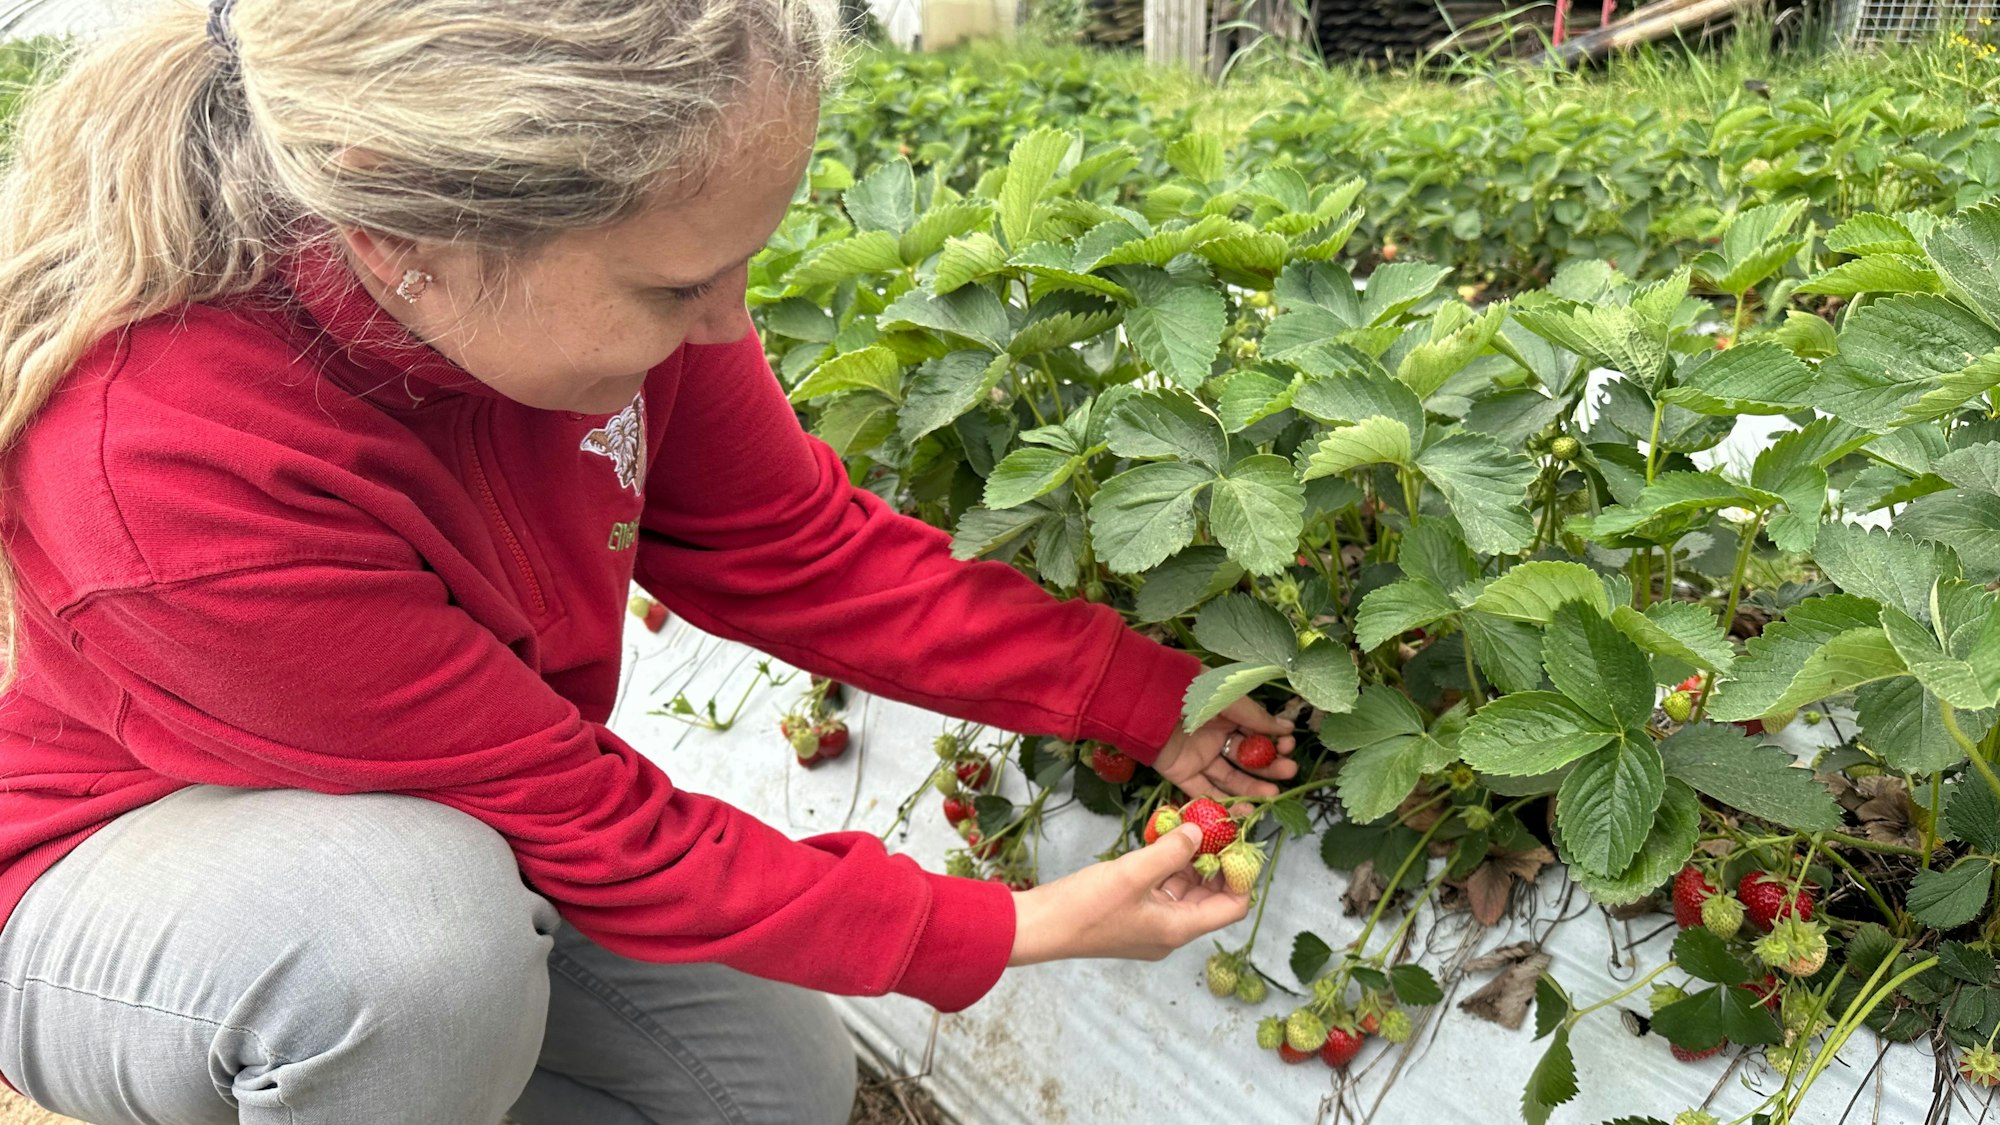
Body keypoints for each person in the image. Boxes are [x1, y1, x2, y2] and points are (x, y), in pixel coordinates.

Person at [0, 1, 1300, 1122]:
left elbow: (802, 547)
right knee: (404, 949)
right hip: (124, 858)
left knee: (762, 1082)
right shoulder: (170, 450)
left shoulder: (604, 285)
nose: (728, 322)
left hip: (456, 812)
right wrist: (1011, 926)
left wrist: (1150, 697)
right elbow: (589, 822)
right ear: (417, 238)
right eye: (678, 288)